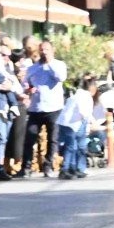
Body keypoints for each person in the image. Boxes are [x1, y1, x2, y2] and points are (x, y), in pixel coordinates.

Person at [21, 42, 65, 176]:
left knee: (53, 139)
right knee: (30, 137)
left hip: (54, 108)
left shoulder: (58, 65)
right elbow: (25, 83)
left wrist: (49, 64)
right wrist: (28, 89)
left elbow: (61, 77)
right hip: (36, 108)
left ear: (52, 50)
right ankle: (26, 167)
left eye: (46, 49)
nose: (44, 52)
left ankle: (48, 166)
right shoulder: (33, 68)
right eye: (42, 50)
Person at [55, 75, 98, 180]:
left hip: (68, 122)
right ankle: (65, 169)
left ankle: (73, 168)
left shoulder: (77, 95)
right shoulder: (85, 97)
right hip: (71, 123)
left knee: (75, 146)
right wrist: (93, 123)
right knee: (72, 147)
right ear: (92, 88)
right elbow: (84, 112)